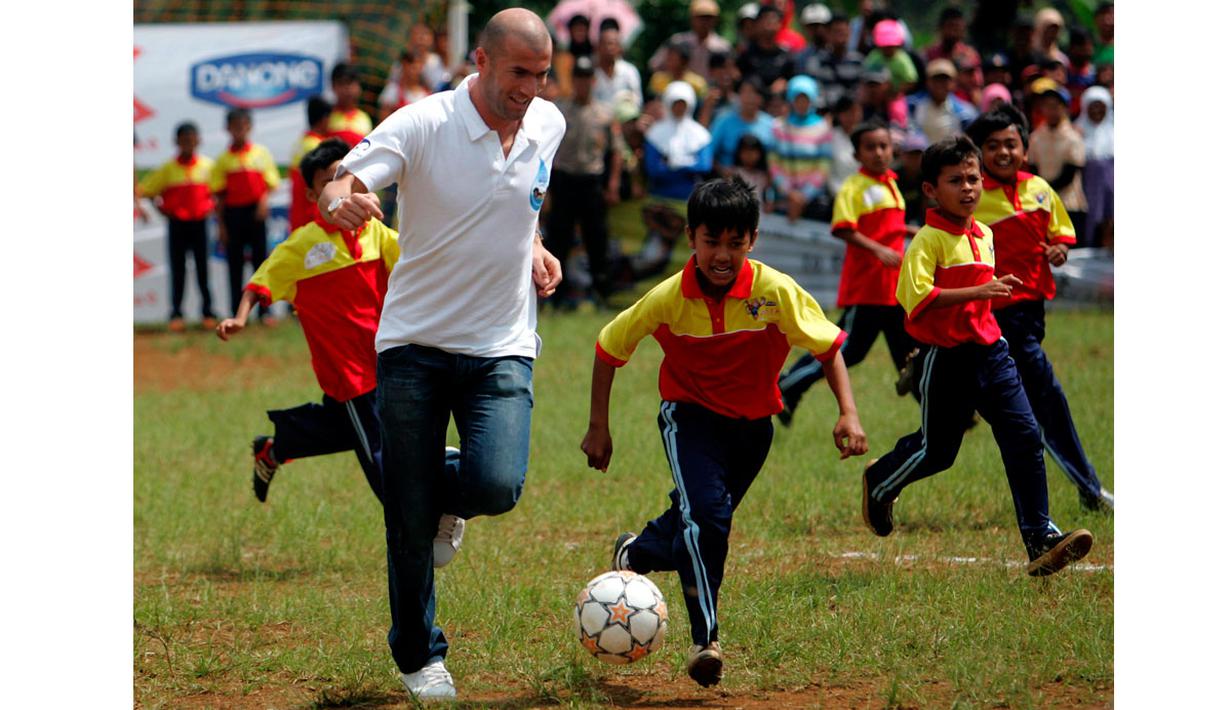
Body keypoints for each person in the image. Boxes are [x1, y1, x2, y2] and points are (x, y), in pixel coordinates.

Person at [315, 9, 565, 700]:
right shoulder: (423, 123)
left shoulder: (548, 122)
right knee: (407, 513)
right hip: (414, 346)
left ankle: (443, 492)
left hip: (501, 344)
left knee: (496, 485)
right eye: (518, 73)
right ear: (480, 61)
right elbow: (344, 178)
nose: (530, 89)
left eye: (542, 75)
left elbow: (522, 198)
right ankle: (418, 654)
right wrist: (337, 200)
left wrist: (534, 244)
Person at [582, 176, 867, 688]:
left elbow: (827, 348)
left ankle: (637, 553)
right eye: (711, 241)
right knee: (708, 520)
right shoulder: (668, 298)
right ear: (691, 237)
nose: (722, 255)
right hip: (689, 419)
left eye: (735, 243)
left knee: (697, 522)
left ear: (752, 240)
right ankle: (705, 641)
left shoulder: (775, 292)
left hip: (753, 430)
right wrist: (598, 427)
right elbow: (609, 347)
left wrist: (849, 412)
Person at [215, 141, 467, 567]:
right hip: (349, 376)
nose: (339, 187)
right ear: (313, 195)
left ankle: (275, 449)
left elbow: (418, 263)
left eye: (344, 177)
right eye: (328, 181)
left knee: (348, 430)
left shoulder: (376, 233)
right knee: (382, 462)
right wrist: (239, 318)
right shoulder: (302, 245)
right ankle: (421, 532)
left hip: (389, 362)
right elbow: (261, 283)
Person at [861, 134, 1095, 576]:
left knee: (1025, 435)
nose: (968, 188)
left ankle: (1040, 538)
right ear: (930, 189)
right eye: (955, 181)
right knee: (937, 452)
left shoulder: (984, 233)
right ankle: (880, 481)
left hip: (992, 352)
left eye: (973, 179)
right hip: (947, 360)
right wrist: (978, 291)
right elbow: (914, 299)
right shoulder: (927, 241)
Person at [966, 106, 1113, 512]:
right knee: (1046, 399)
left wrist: (1060, 249)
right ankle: (1089, 488)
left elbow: (1061, 233)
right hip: (997, 314)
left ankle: (886, 478)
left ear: (1025, 148)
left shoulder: (1040, 190)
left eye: (1010, 144)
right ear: (979, 153)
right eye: (992, 145)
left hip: (1032, 311)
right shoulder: (972, 197)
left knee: (945, 433)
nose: (1003, 152)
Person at [778, 119, 916, 424]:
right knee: (846, 350)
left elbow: (886, 226)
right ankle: (787, 385)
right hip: (868, 288)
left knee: (910, 353)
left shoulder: (890, 183)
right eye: (870, 147)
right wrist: (879, 250)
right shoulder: (854, 187)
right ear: (856, 155)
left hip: (893, 288)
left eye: (884, 146)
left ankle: (947, 415)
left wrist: (909, 231)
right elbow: (842, 228)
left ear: (892, 149)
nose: (878, 153)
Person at [546, 55, 624, 307]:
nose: (582, 83)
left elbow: (616, 151)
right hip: (564, 179)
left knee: (597, 239)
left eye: (586, 78)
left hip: (591, 181)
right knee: (559, 238)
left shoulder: (604, 113)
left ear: (593, 81)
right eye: (578, 78)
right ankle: (556, 295)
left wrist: (613, 184)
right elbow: (546, 149)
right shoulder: (559, 111)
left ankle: (602, 293)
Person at [139, 121, 218, 332]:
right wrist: (163, 211)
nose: (188, 144)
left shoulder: (208, 166)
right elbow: (148, 191)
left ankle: (208, 312)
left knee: (203, 269)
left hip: (200, 223)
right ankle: (176, 314)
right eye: (184, 141)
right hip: (177, 225)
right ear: (176, 142)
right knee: (178, 270)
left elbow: (218, 192)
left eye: (191, 140)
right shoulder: (168, 168)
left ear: (198, 141)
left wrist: (211, 207)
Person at [210, 108, 280, 324]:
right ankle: (236, 312)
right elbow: (219, 197)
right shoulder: (223, 160)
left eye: (243, 126)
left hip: (256, 213)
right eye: (235, 127)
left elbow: (270, 184)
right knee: (235, 264)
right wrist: (221, 226)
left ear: (249, 127)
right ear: (228, 129)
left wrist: (263, 204)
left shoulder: (260, 154)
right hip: (233, 215)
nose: (239, 131)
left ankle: (264, 312)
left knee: (261, 264)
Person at [768, 75, 833, 222]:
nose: (802, 103)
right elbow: (773, 163)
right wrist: (789, 193)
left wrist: (804, 196)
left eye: (806, 98)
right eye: (798, 98)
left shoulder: (823, 128)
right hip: (783, 200)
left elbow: (823, 166)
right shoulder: (778, 126)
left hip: (813, 202)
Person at [1027, 81, 1086, 242]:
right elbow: (1033, 169)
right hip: (1042, 204)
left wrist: (1047, 189)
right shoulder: (1036, 138)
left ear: (1064, 108)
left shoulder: (1073, 138)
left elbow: (1070, 173)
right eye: (1046, 106)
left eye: (1055, 106)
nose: (1050, 111)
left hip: (1069, 203)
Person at [649, 0, 732, 83]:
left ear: (716, 19)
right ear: (692, 18)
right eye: (700, 17)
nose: (704, 21)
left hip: (711, 90)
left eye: (708, 18)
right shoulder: (678, 42)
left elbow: (730, 73)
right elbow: (655, 64)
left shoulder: (723, 47)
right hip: (681, 89)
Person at [798, 10, 864, 111]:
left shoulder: (858, 61)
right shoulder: (817, 63)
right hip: (825, 113)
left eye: (843, 32)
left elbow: (860, 93)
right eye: (836, 32)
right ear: (828, 34)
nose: (840, 36)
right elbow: (816, 93)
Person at [708, 76, 774, 171]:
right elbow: (709, 153)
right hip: (728, 178)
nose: (750, 98)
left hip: (761, 178)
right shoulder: (724, 121)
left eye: (754, 93)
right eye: (745, 92)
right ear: (738, 96)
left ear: (761, 98)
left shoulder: (771, 124)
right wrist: (723, 171)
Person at [1075, 86, 1112, 248]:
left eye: (1100, 106)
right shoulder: (1076, 131)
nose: (1097, 111)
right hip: (1086, 187)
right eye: (1093, 106)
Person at [908, 59, 978, 144]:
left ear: (954, 83)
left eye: (945, 80)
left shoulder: (966, 113)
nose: (940, 84)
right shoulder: (912, 105)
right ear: (927, 82)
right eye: (936, 80)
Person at [288, 96, 331, 231]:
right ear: (324, 119)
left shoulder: (299, 143)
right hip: (312, 212)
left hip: (297, 210)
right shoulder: (320, 147)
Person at [736, 5, 794, 95]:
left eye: (773, 19)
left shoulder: (787, 57)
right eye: (766, 19)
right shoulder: (745, 55)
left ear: (780, 24)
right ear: (757, 24)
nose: (769, 22)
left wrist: (786, 83)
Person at [593, 25, 642, 111]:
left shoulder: (630, 71)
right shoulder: (591, 73)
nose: (610, 48)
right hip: (598, 117)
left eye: (613, 44)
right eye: (606, 44)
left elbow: (637, 101)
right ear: (598, 47)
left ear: (620, 48)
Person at [326, 63, 373, 148]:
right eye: (341, 83)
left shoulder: (364, 119)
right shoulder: (325, 118)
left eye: (350, 83)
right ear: (333, 86)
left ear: (359, 87)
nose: (346, 88)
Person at [825, 95, 863, 198]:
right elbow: (827, 172)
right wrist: (841, 195)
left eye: (855, 111)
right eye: (847, 112)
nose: (852, 116)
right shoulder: (830, 138)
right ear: (838, 115)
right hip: (838, 195)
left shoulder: (867, 137)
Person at [379, 49, 431, 122]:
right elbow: (383, 121)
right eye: (412, 67)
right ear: (404, 66)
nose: (414, 71)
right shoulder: (393, 90)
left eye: (417, 67)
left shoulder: (427, 95)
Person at [731, 134, 770, 202]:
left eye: (753, 151)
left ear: (760, 153)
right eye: (745, 152)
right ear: (739, 153)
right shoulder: (733, 174)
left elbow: (768, 197)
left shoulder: (764, 176)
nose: (749, 155)